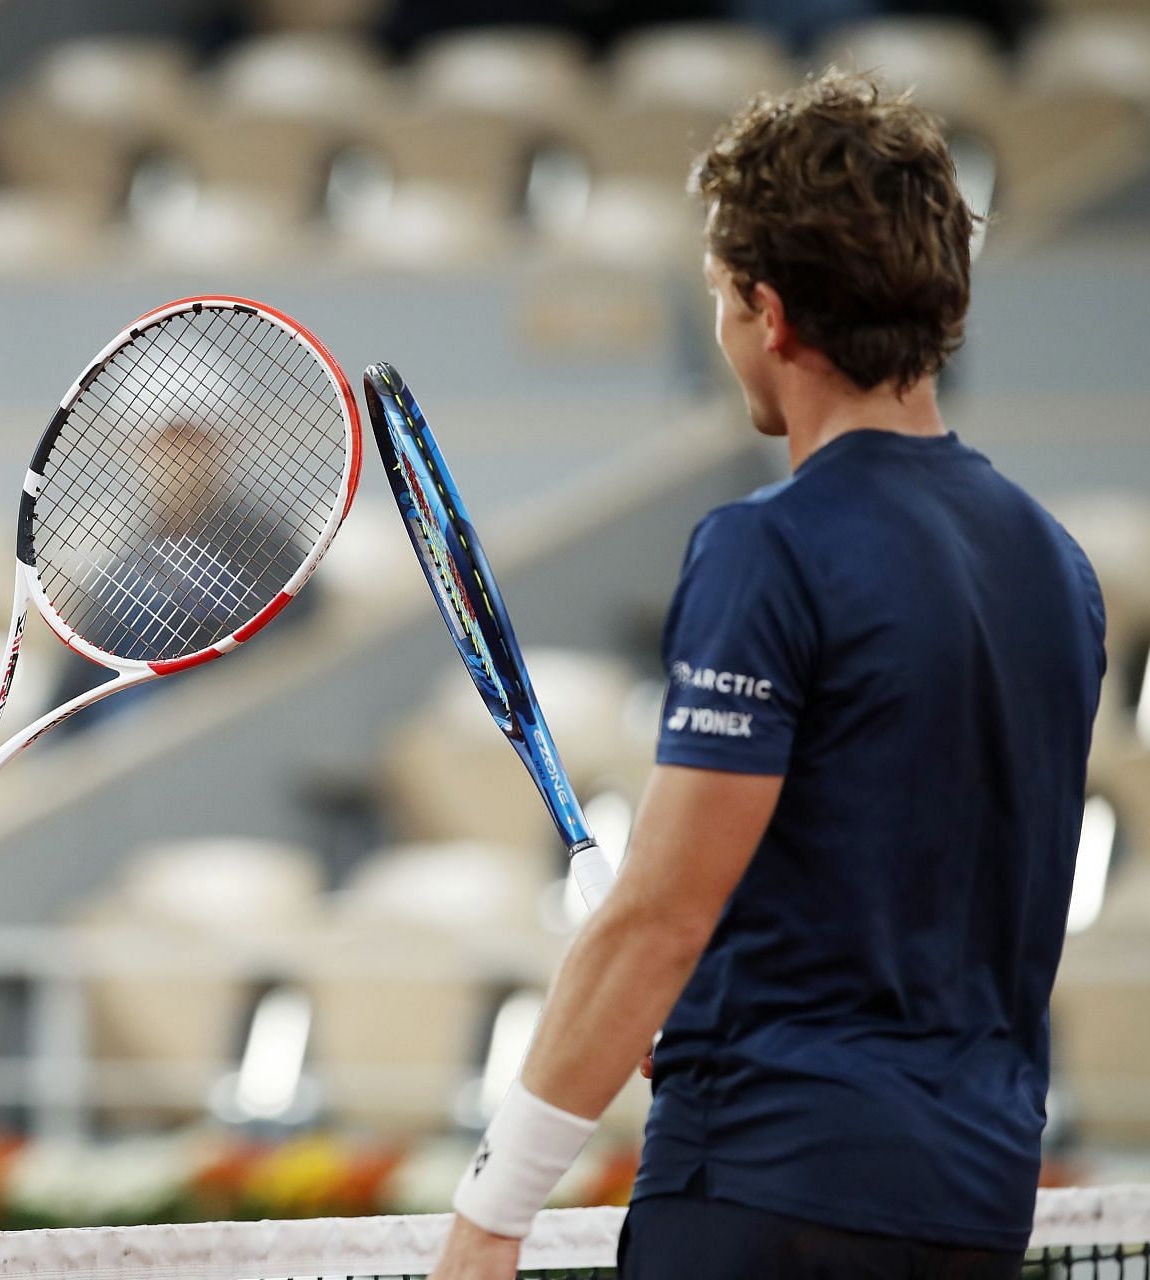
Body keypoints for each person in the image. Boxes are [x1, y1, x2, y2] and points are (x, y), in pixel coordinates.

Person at [432, 71, 1105, 1279]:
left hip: (764, 1188)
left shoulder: (767, 545)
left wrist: (492, 1214)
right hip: (974, 1205)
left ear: (770, 313)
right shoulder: (1058, 566)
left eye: (719, 299)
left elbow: (660, 917)